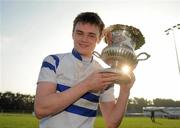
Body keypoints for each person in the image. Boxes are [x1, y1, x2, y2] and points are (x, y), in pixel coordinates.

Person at [34, 12, 135, 128]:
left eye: (91, 35)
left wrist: (125, 91)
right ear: (72, 34)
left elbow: (112, 123)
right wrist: (87, 85)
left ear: (100, 38)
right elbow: (40, 109)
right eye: (79, 33)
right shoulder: (53, 61)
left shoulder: (105, 73)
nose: (84, 39)